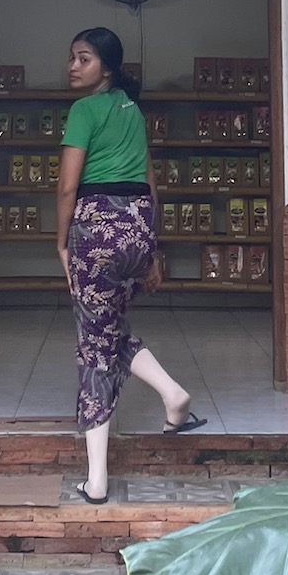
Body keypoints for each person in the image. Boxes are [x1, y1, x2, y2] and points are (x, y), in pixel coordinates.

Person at [56, 26, 204, 502]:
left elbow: (66, 187)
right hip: (137, 227)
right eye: (73, 59)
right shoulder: (132, 112)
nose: (73, 67)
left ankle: (96, 479)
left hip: (96, 230)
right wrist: (153, 249)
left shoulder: (84, 110)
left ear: (108, 68)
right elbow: (150, 180)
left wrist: (61, 242)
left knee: (92, 348)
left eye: (83, 59)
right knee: (109, 330)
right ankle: (173, 396)